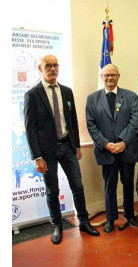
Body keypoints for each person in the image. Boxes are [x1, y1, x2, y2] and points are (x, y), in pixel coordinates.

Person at [24, 54, 99, 244]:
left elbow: (72, 120)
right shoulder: (32, 95)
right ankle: (57, 225)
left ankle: (83, 221)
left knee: (78, 187)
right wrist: (37, 157)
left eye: (55, 65)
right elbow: (30, 129)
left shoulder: (66, 91)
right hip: (47, 151)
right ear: (40, 68)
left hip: (68, 147)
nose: (52, 69)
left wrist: (77, 146)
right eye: (48, 65)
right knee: (52, 191)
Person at [86, 64, 138, 234]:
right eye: (106, 75)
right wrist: (105, 144)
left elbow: (135, 121)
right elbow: (91, 124)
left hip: (127, 149)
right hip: (106, 151)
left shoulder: (130, 96)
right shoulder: (92, 98)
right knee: (110, 185)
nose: (110, 78)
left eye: (113, 75)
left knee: (127, 184)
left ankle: (130, 214)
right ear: (101, 77)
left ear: (119, 76)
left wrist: (123, 142)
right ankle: (110, 219)